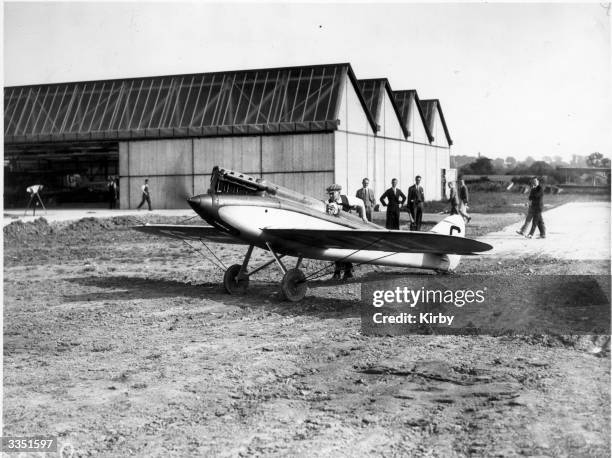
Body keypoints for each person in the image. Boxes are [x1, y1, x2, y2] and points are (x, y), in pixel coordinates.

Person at [326, 184, 367, 280]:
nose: (330, 196)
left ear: (339, 193)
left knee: (345, 249)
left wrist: (364, 216)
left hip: (347, 228)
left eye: (332, 194)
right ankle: (337, 272)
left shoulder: (347, 199)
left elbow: (361, 202)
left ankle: (348, 271)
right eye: (329, 194)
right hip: (335, 228)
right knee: (335, 249)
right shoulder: (328, 202)